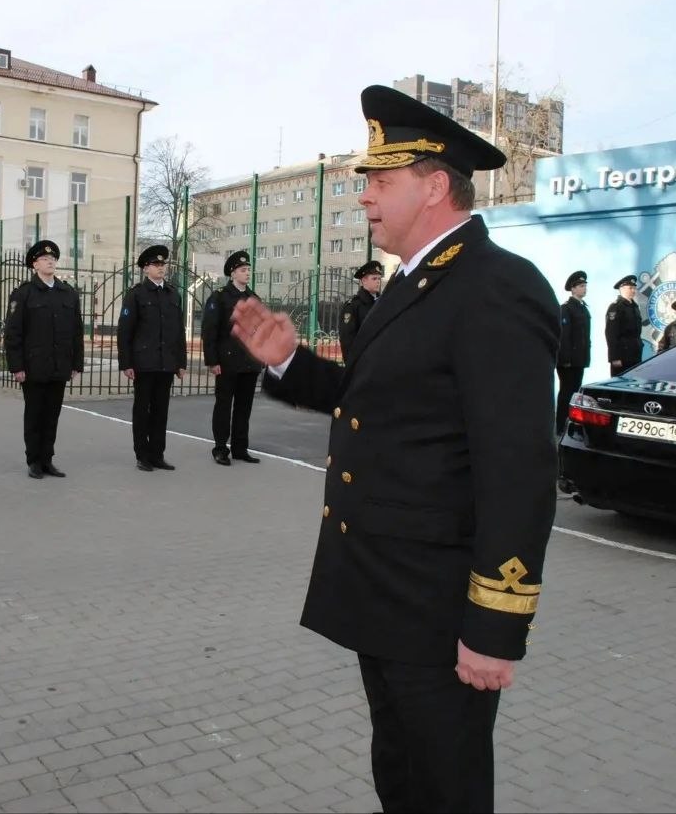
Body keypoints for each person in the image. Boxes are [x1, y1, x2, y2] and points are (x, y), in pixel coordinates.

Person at [230, 85, 558, 813]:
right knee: (402, 774)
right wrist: (289, 363)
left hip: (438, 609)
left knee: (445, 787)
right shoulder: (415, 283)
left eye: (381, 181)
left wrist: (496, 625)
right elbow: (380, 403)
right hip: (384, 595)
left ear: (434, 186)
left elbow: (518, 470)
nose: (365, 197)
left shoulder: (495, 287)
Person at [3, 239, 84, 479]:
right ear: (35, 265)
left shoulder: (68, 293)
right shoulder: (24, 293)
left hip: (59, 365)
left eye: (53, 259)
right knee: (35, 414)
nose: (50, 262)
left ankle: (47, 459)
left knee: (52, 416)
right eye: (45, 259)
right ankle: (34, 461)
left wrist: (76, 363)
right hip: (34, 366)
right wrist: (17, 366)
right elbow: (13, 333)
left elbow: (77, 332)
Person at [118, 244, 186, 472]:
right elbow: (125, 331)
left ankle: (157, 454)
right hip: (144, 363)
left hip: (166, 363)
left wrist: (181, 362)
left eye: (162, 264)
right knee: (142, 410)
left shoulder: (173, 294)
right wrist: (126, 363)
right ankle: (142, 455)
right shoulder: (136, 294)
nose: (161, 268)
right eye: (156, 264)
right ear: (146, 268)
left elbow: (179, 332)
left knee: (161, 410)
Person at [202, 250, 263, 465]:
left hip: (249, 362)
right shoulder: (219, 297)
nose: (247, 273)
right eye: (243, 270)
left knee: (244, 408)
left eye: (248, 270)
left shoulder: (254, 298)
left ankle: (240, 448)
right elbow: (210, 330)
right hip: (227, 361)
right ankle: (220, 448)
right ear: (232, 273)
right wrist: (212, 360)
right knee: (224, 406)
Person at [556, 270, 591, 436]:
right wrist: (565, 359)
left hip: (579, 359)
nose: (584, 288)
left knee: (575, 393)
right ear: (573, 288)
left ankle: (572, 424)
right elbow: (564, 336)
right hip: (568, 361)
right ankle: (560, 425)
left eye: (585, 286)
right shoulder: (566, 308)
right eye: (581, 286)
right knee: (566, 392)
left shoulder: (583, 308)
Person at [338, 260, 383, 359]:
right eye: (374, 278)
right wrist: (352, 363)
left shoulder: (383, 302)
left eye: (379, 278)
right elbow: (347, 338)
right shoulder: (353, 306)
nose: (378, 281)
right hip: (363, 360)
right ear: (364, 281)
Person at [605, 274, 643, 376]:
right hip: (622, 356)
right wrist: (614, 357)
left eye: (634, 288)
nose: (633, 290)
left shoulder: (635, 307)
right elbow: (611, 334)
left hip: (635, 354)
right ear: (621, 289)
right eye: (630, 288)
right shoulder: (616, 307)